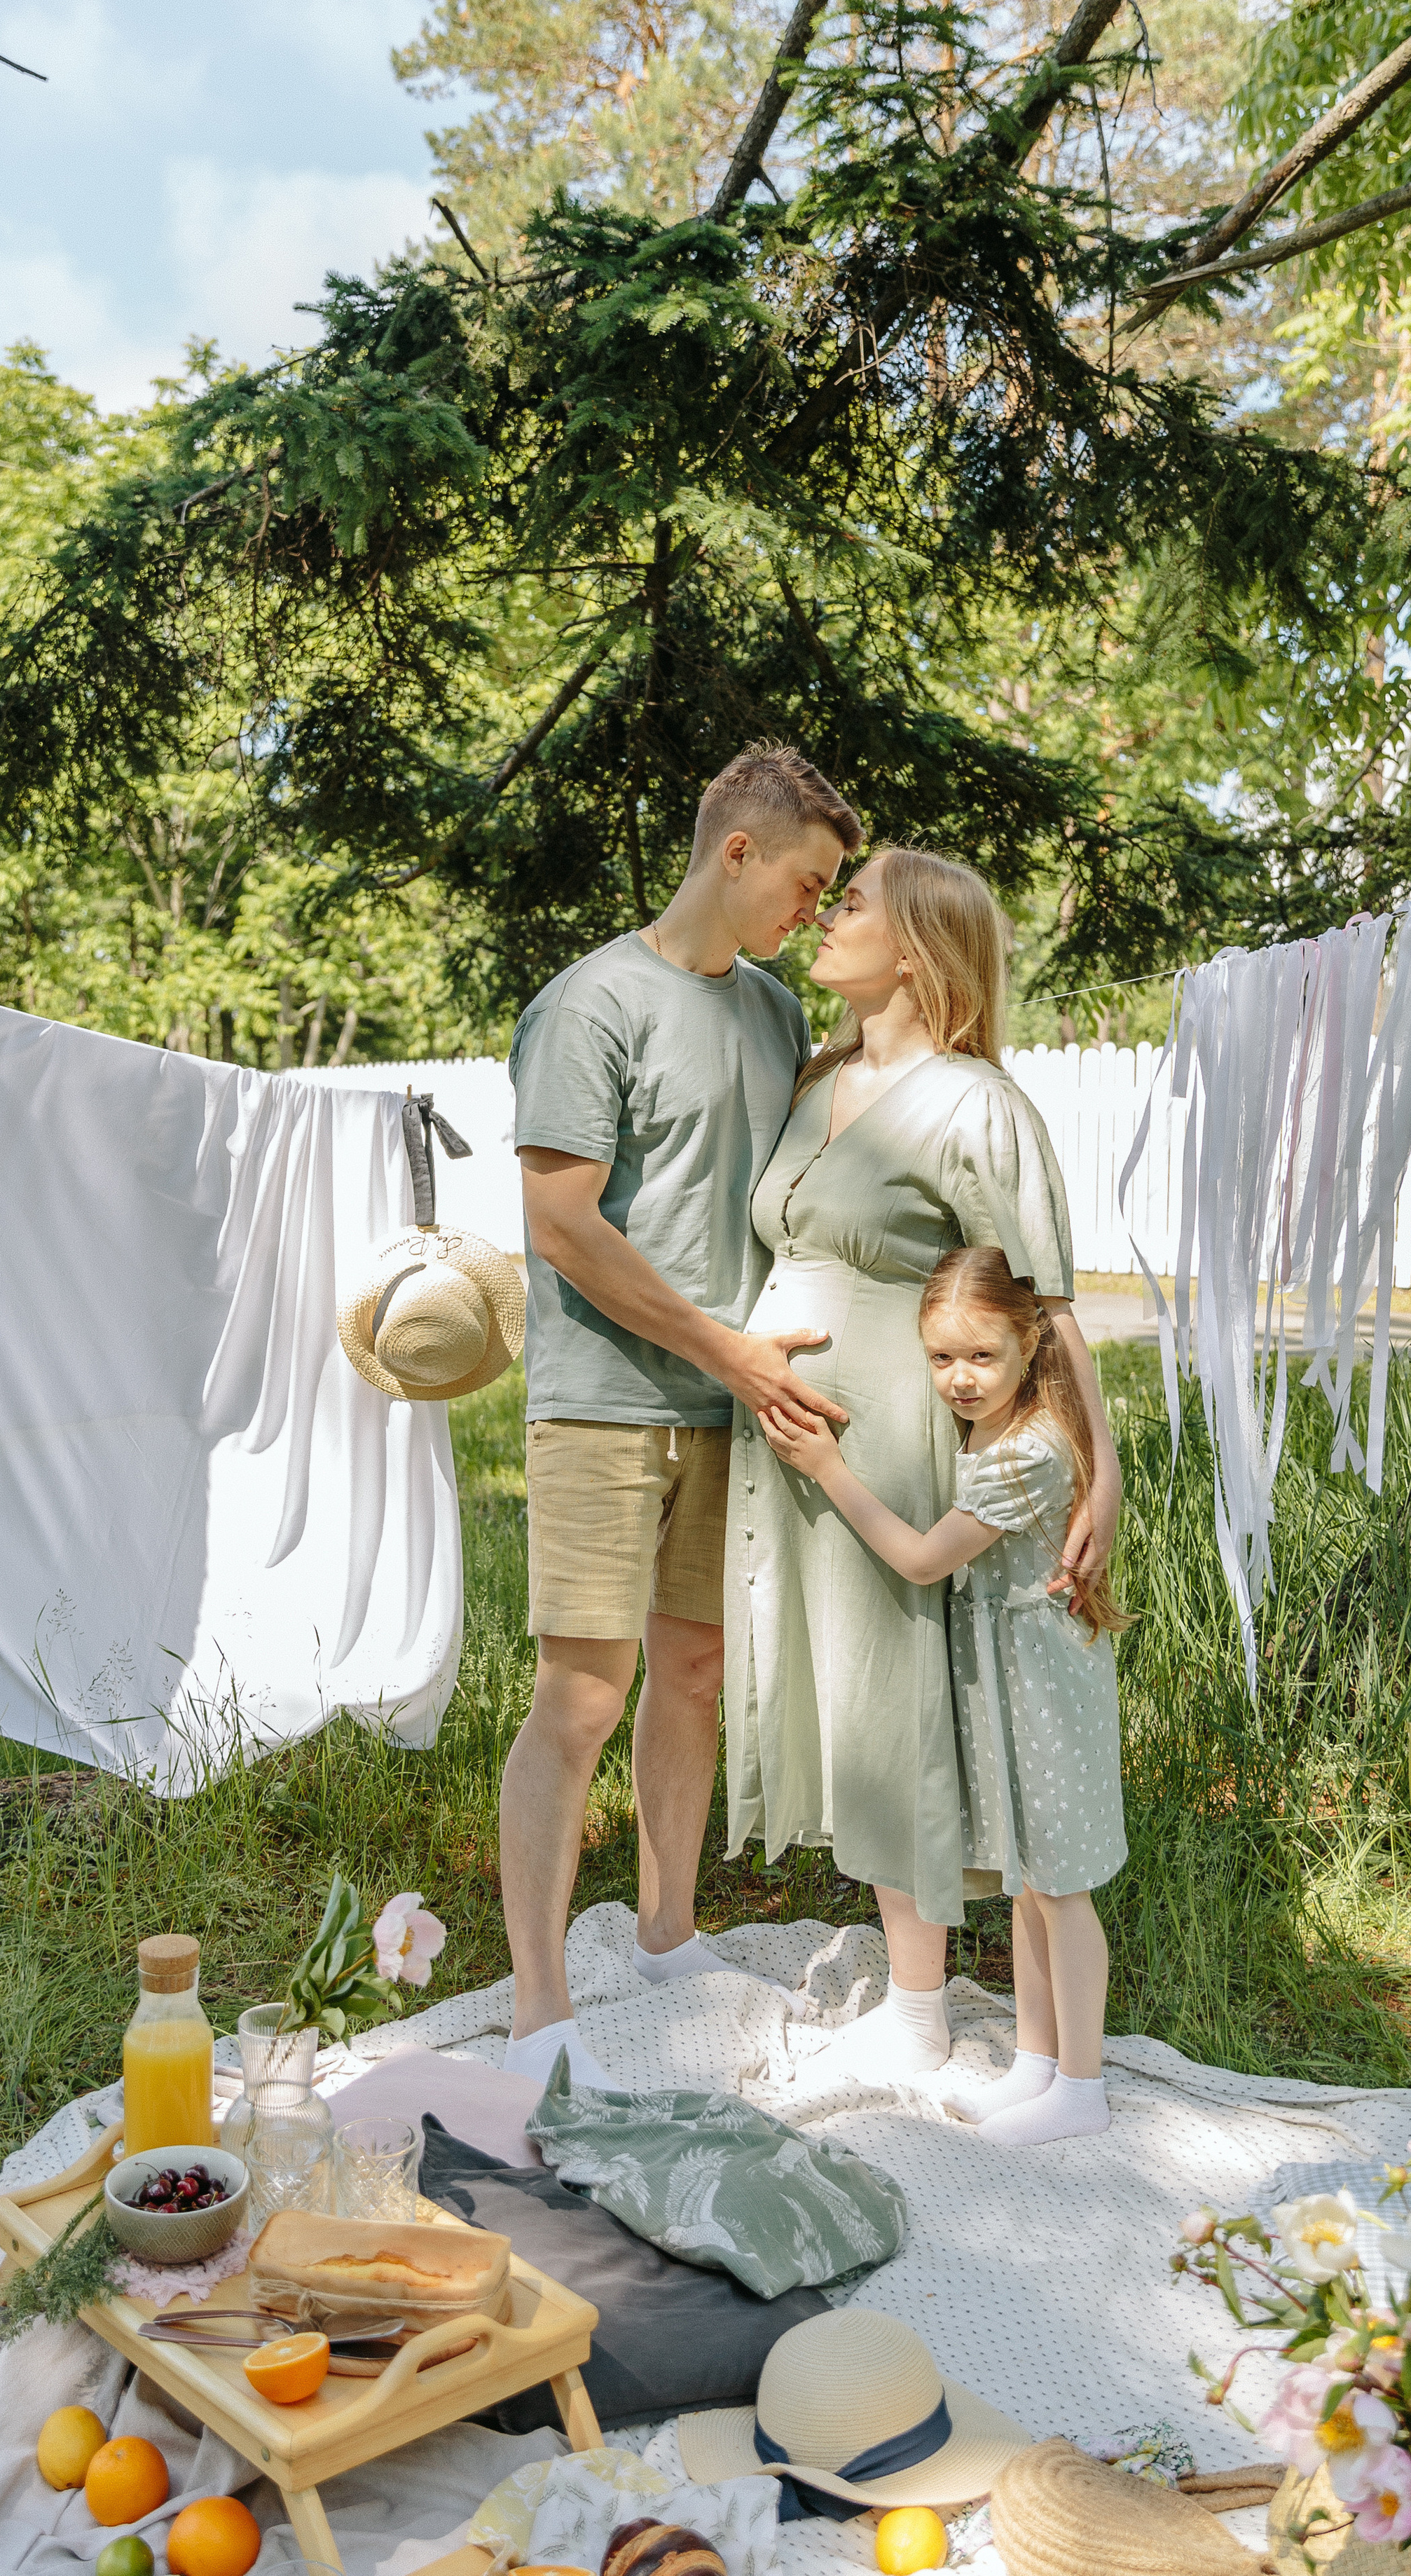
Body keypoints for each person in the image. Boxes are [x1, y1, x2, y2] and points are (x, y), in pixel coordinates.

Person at [722, 844, 1123, 2101]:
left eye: (850, 905)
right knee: (842, 1696)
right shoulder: (818, 1077)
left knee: (897, 1702)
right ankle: (909, 1991)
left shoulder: (974, 1104)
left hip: (891, 1430)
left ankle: (917, 2009)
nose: (824, 919)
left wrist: (1101, 1472)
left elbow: (1046, 1303)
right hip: (794, 1433)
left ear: (917, 946)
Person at [500, 741, 864, 2087]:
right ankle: (542, 2007)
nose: (816, 911)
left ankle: (664, 1934)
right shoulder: (590, 1003)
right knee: (583, 1695)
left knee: (697, 1671)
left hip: (732, 1407)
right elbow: (558, 1224)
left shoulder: (772, 1014)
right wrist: (729, 1351)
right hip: (604, 1403)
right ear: (738, 853)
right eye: (810, 883)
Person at [761, 1243, 1129, 2145]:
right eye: (940, 1359)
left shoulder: (1027, 1450)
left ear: (1027, 1343)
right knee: (1025, 1883)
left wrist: (828, 1470)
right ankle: (1036, 2066)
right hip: (1007, 1677)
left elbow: (925, 1559)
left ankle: (1082, 2086)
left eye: (980, 1357)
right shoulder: (1010, 1425)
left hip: (1040, 1685)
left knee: (1060, 1887)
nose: (959, 1380)